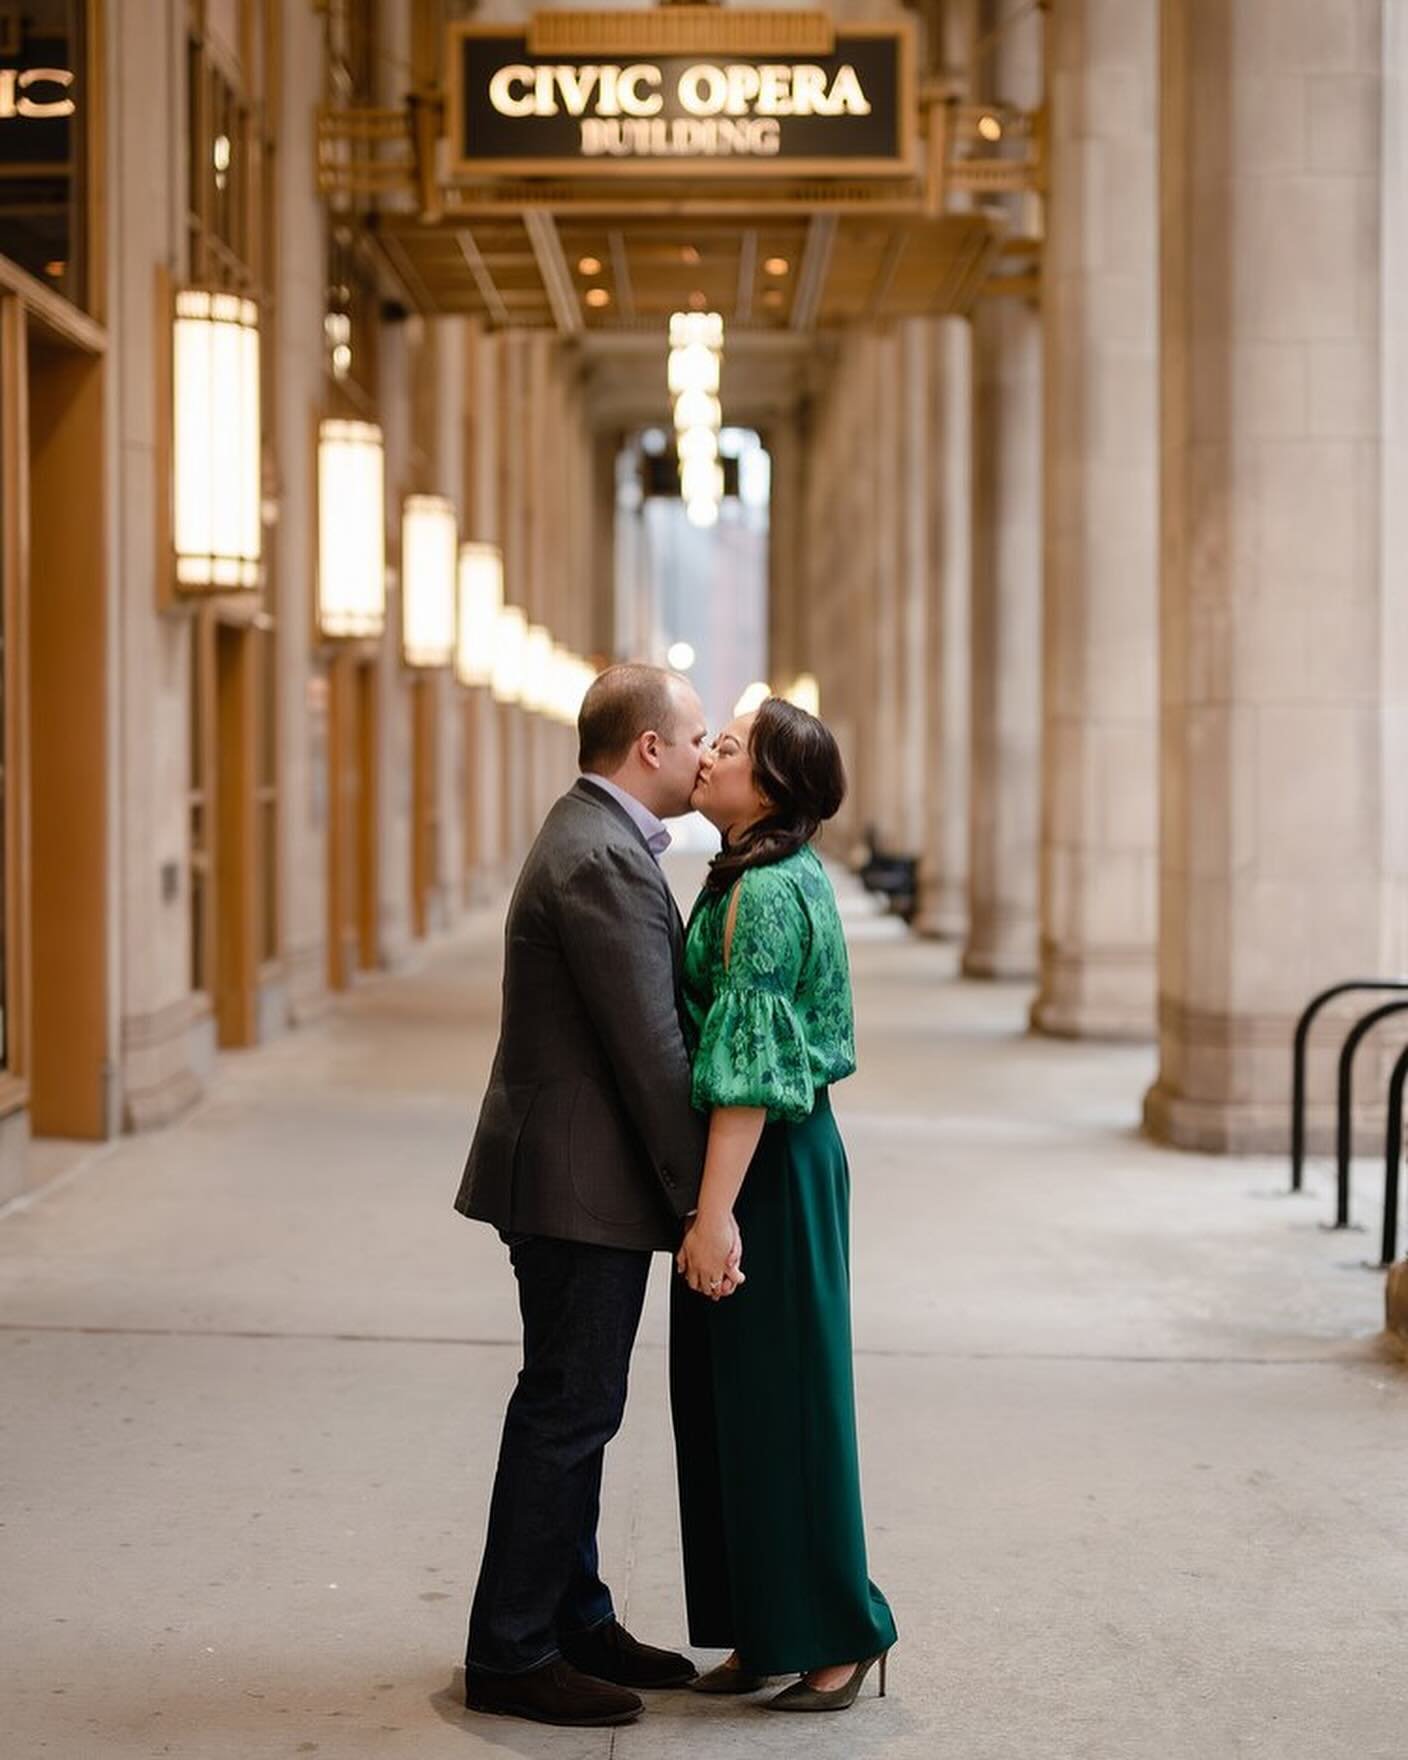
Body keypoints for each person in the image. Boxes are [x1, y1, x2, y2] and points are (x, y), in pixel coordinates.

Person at [454, 662, 739, 1730]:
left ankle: (574, 1613)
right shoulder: (601, 858)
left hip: (570, 1176)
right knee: (569, 1407)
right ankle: (513, 1648)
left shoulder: (597, 837)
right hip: (575, 1185)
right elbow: (650, 1052)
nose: (708, 750)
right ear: (649, 748)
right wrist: (702, 1206)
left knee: (575, 1400)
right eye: (698, 733)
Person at [670, 696, 898, 1712]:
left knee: (788, 1398)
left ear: (766, 786)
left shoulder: (765, 889)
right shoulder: (749, 871)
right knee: (729, 1401)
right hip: (750, 1155)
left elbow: (754, 1073)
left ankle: (835, 1634)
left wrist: (715, 1215)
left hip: (767, 1159)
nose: (708, 753)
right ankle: (769, 1623)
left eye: (727, 745)